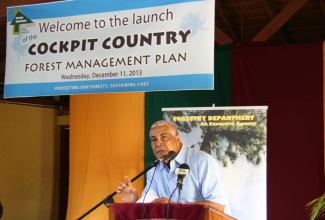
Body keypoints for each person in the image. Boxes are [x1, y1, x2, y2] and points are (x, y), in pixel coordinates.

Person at [116, 120, 231, 214]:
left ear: (177, 140)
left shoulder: (202, 162)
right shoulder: (154, 169)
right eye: (153, 140)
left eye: (164, 137)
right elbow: (151, 207)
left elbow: (218, 206)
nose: (158, 143)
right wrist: (134, 201)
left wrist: (177, 206)